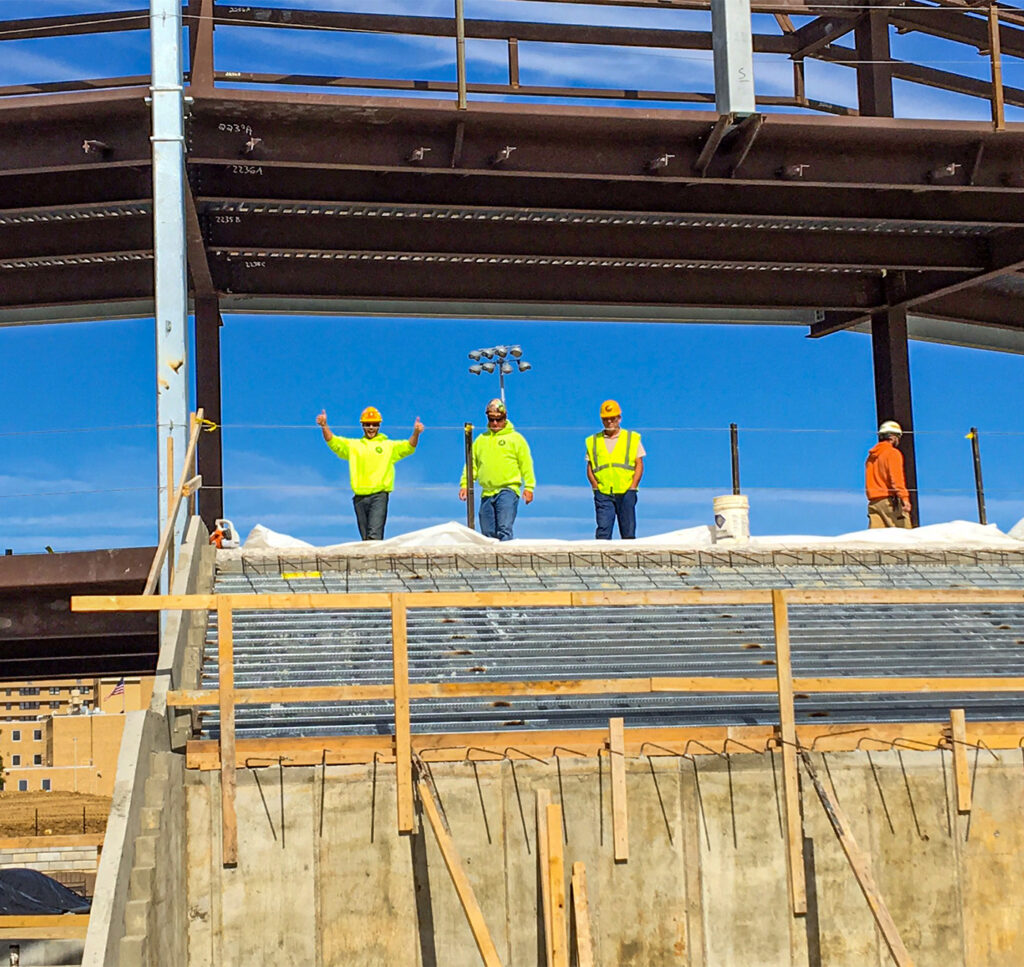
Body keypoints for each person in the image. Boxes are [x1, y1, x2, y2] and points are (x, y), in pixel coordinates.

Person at [317, 406, 423, 540]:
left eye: (374, 424)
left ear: (379, 426)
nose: (371, 427)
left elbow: (409, 447)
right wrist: (324, 425)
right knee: (366, 539)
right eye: (368, 424)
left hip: (379, 496)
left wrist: (416, 433)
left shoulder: (388, 446)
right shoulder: (354, 446)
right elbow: (333, 441)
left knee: (374, 536)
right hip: (359, 497)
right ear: (362, 425)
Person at [459, 398, 535, 541]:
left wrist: (529, 487)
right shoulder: (481, 440)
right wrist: (465, 484)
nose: (495, 423)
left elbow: (526, 463)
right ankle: (492, 563)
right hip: (487, 493)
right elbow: (471, 465)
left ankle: (505, 561)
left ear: (505, 418)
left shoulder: (516, 439)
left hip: (507, 490)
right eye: (491, 419)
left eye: (498, 420)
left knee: (504, 529)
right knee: (487, 534)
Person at [586, 399, 644, 539]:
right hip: (603, 493)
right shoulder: (593, 441)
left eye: (613, 418)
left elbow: (639, 464)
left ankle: (629, 560)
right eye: (606, 419)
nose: (609, 422)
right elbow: (590, 466)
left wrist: (633, 486)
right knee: (603, 531)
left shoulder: (631, 438)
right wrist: (595, 486)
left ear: (619, 418)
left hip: (626, 491)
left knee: (628, 531)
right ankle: (602, 561)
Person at [865, 419, 912, 528]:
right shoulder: (892, 453)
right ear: (893, 437)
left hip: (874, 503)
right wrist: (904, 498)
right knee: (905, 538)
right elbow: (896, 478)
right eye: (898, 437)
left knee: (877, 541)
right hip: (890, 503)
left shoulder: (871, 457)